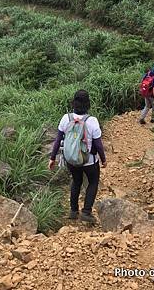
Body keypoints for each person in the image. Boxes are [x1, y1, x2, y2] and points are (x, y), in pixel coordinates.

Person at [48, 90, 106, 223]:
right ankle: (86, 212)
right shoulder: (92, 121)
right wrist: (103, 159)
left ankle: (73, 211)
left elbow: (58, 140)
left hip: (71, 160)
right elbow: (98, 144)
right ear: (88, 104)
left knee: (76, 181)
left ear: (73, 103)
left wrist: (52, 158)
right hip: (89, 160)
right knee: (92, 182)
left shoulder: (66, 118)